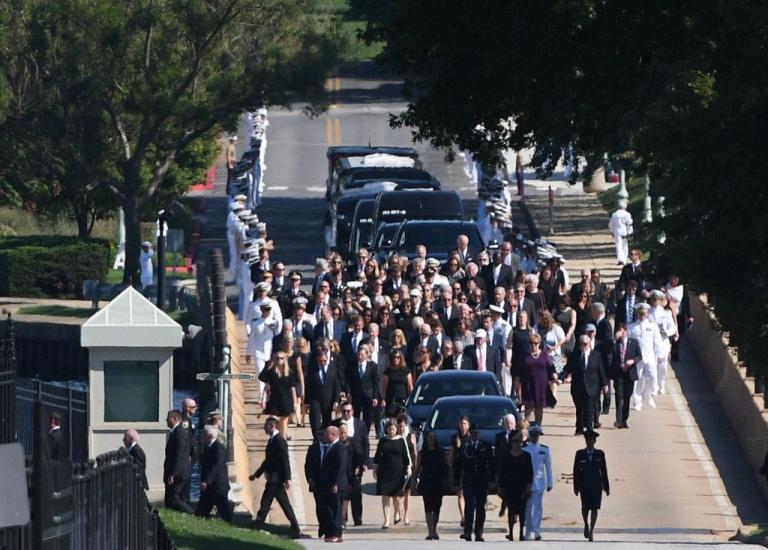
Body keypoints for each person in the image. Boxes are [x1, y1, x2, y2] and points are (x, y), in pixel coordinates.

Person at [250, 418, 301, 537]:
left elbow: (285, 460)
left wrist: (288, 478)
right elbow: (267, 461)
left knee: (266, 502)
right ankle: (295, 527)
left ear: (272, 425)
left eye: (266, 425)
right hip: (273, 478)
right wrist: (256, 475)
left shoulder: (279, 441)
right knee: (282, 504)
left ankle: (258, 524)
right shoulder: (272, 440)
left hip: (276, 478)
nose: (264, 427)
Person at [333, 403, 369, 526]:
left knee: (356, 491)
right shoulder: (335, 423)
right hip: (341, 463)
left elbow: (366, 444)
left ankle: (357, 518)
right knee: (343, 492)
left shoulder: (360, 424)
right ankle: (343, 517)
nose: (346, 413)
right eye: (344, 411)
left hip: (356, 463)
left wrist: (364, 462)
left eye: (348, 411)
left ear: (353, 411)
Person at [454, 427, 493, 541]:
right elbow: (459, 464)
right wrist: (457, 481)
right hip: (469, 481)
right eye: (473, 433)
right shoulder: (465, 446)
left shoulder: (485, 446)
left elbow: (491, 463)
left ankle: (479, 532)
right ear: (470, 433)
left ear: (479, 433)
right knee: (469, 507)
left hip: (481, 481)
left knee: (481, 508)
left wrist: (491, 480)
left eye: (477, 432)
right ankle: (467, 532)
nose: (475, 434)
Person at [565, 336, 609, 434]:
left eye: (585, 344)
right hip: (578, 386)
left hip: (592, 386)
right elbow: (568, 368)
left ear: (589, 344)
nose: (583, 346)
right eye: (581, 344)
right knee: (579, 409)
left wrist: (605, 384)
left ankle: (589, 429)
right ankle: (579, 428)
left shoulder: (596, 355)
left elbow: (601, 370)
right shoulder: (575, 355)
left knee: (589, 409)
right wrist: (560, 377)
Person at [373, 419, 411, 529]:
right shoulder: (383, 441)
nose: (391, 431)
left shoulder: (401, 440)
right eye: (389, 429)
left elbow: (405, 456)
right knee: (385, 496)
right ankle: (386, 520)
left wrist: (408, 467)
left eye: (393, 429)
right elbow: (377, 455)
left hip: (398, 471)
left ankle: (398, 512)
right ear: (386, 429)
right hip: (385, 471)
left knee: (397, 498)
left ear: (396, 429)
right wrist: (375, 468)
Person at [573, 429, 610, 541]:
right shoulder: (580, 454)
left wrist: (606, 487)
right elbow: (576, 471)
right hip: (584, 484)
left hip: (596, 485)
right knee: (585, 507)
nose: (589, 441)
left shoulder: (600, 454)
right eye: (587, 439)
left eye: (591, 439)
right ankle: (586, 523)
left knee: (595, 508)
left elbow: (604, 471)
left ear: (595, 441)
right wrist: (576, 486)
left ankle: (592, 529)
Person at [628, 303, 664, 410]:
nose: (642, 315)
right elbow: (628, 343)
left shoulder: (652, 326)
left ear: (647, 313)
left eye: (644, 313)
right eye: (640, 313)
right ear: (637, 314)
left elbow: (657, 341)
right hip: (637, 357)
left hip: (650, 356)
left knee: (652, 377)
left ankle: (647, 395)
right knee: (637, 379)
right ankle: (637, 401)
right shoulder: (631, 327)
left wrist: (660, 354)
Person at [498, 432, 533, 541]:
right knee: (511, 510)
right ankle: (511, 533)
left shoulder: (526, 456)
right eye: (516, 441)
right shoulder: (506, 456)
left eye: (520, 441)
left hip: (522, 487)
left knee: (522, 510)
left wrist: (529, 485)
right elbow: (502, 473)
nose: (518, 443)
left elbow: (530, 473)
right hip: (510, 487)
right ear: (511, 442)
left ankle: (521, 532)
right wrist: (500, 487)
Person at [305, 340, 344, 437]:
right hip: (315, 399)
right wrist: (306, 402)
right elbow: (308, 386)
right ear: (317, 359)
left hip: (328, 399)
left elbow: (337, 386)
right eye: (320, 361)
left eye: (324, 361)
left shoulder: (333, 370)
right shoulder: (312, 370)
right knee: (315, 419)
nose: (322, 363)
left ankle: (327, 437)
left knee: (327, 420)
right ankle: (317, 437)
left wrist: (336, 401)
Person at [196, 425, 232, 522]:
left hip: (218, 486)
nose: (202, 436)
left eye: (204, 434)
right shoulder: (208, 447)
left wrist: (206, 481)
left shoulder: (218, 448)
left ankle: (230, 527)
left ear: (209, 435)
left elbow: (216, 466)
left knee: (224, 512)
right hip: (209, 488)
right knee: (200, 512)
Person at [318, 426, 348, 542]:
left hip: (336, 485)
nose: (325, 436)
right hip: (328, 484)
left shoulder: (340, 448)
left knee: (336, 509)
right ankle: (331, 533)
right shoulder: (330, 447)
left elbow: (341, 467)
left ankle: (336, 533)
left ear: (334, 435)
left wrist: (336, 483)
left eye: (327, 434)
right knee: (330, 508)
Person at [523, 423, 553, 541]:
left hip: (540, 482)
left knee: (538, 508)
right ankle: (528, 530)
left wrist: (550, 482)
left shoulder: (544, 449)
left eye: (537, 435)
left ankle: (537, 531)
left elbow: (548, 467)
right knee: (527, 508)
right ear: (530, 435)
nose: (535, 437)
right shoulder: (524, 448)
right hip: (527, 483)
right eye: (533, 435)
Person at [418, 430, 449, 540]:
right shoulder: (423, 452)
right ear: (426, 439)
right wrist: (413, 483)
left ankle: (434, 528)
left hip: (438, 481)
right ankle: (430, 531)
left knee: (436, 507)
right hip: (426, 481)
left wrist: (447, 481)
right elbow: (418, 468)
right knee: (427, 506)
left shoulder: (440, 451)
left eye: (433, 437)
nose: (431, 439)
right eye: (429, 437)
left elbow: (446, 466)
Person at [259, 351, 298, 439]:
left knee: (283, 422)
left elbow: (293, 389)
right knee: (272, 421)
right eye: (277, 358)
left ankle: (282, 441)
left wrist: (295, 402)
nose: (279, 360)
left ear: (285, 360)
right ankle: (273, 439)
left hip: (286, 401)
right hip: (274, 400)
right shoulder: (271, 372)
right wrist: (263, 399)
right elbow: (262, 379)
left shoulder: (290, 373)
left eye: (281, 358)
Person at [610, 323, 642, 429]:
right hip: (619, 374)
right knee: (619, 396)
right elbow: (611, 354)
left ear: (626, 331)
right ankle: (618, 420)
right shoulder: (616, 343)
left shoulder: (633, 342)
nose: (621, 334)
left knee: (627, 396)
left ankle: (624, 419)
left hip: (629, 374)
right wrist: (615, 340)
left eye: (622, 332)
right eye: (619, 332)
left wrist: (633, 361)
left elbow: (639, 356)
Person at [521, 333, 557, 425]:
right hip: (528, 385)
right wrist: (517, 384)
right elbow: (519, 371)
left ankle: (538, 426)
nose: (533, 345)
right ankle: (527, 428)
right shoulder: (525, 355)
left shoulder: (544, 355)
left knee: (539, 407)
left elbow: (551, 368)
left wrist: (555, 376)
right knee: (528, 407)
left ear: (539, 343)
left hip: (541, 385)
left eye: (536, 343)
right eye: (531, 343)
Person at [163, 410, 194, 513]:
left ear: (174, 419)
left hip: (178, 473)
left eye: (168, 418)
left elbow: (180, 455)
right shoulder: (176, 433)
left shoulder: (179, 433)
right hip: (174, 471)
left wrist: (174, 473)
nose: (166, 420)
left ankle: (192, 513)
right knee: (170, 499)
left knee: (174, 499)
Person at [345, 343, 380, 431]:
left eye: (362, 355)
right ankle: (356, 433)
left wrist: (375, 397)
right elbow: (348, 381)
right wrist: (348, 393)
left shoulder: (372, 366)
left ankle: (365, 433)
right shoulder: (352, 366)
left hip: (368, 395)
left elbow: (375, 382)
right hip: (356, 395)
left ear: (367, 355)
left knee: (367, 417)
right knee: (355, 416)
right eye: (358, 355)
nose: (360, 357)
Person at [397, 414, 418, 526]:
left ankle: (406, 516)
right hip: (398, 467)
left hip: (409, 467)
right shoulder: (395, 436)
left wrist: (416, 466)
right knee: (397, 493)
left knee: (407, 492)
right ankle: (398, 511)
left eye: (403, 426)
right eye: (400, 426)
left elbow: (415, 452)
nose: (401, 428)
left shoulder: (411, 436)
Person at [450, 415, 471, 525]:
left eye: (465, 424)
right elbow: (451, 454)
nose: (463, 426)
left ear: (468, 425)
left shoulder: (471, 438)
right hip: (459, 468)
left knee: (469, 494)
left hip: (469, 469)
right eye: (461, 423)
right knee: (461, 493)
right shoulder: (455, 438)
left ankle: (468, 514)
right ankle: (463, 516)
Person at [381, 349, 413, 420]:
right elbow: (384, 387)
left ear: (401, 359)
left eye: (398, 357)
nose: (396, 359)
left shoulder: (406, 371)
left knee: (402, 418)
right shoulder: (388, 371)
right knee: (391, 419)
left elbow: (410, 386)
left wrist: (411, 399)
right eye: (394, 357)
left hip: (403, 398)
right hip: (391, 399)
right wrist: (383, 399)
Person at [609, 198, 633, 265]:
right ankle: (624, 259)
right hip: (624, 232)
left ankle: (620, 259)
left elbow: (611, 224)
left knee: (618, 246)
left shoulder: (614, 214)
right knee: (624, 246)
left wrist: (612, 231)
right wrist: (630, 231)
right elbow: (629, 223)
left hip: (617, 232)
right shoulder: (627, 214)